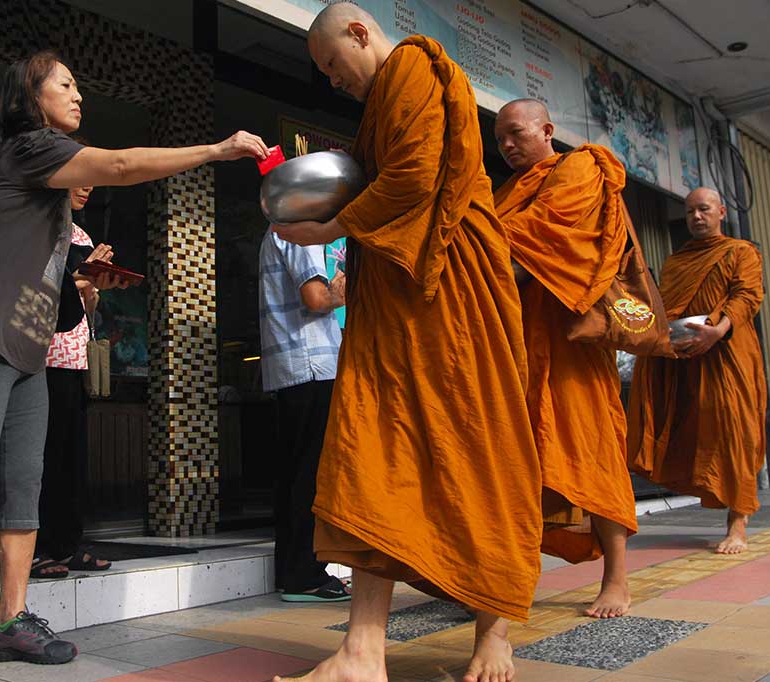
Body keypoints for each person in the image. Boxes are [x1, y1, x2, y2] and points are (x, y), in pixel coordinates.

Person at [0, 50, 267, 682]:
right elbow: (122, 163)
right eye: (65, 85)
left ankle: (11, 622)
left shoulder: (53, 193)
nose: (79, 96)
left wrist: (86, 284)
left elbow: (51, 281)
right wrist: (214, 149)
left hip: (26, 350)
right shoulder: (26, 148)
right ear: (30, 95)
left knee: (26, 485)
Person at [272, 5, 543, 681]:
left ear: (361, 32)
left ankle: (494, 632)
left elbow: (417, 175)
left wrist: (333, 226)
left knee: (481, 446)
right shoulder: (381, 100)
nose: (334, 81)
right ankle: (362, 652)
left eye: (335, 63)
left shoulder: (418, 67)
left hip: (456, 294)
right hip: (397, 299)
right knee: (373, 448)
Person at [492, 99, 637, 619]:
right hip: (519, 347)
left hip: (572, 344)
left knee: (591, 449)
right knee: (517, 463)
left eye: (516, 133)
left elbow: (547, 241)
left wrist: (487, 270)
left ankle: (617, 579)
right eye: (500, 138)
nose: (507, 145)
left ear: (547, 129)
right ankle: (511, 580)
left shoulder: (581, 169)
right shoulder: (504, 192)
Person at [627, 187, 766, 555]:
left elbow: (747, 296)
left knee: (733, 429)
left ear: (721, 211)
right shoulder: (676, 262)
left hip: (727, 356)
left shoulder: (741, 252)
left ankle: (738, 523)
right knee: (691, 429)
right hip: (686, 357)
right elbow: (665, 308)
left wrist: (718, 331)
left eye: (704, 209)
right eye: (690, 212)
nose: (696, 218)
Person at [30, 182, 116, 579]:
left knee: (71, 457)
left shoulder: (81, 235)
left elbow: (87, 304)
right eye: (79, 175)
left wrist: (93, 285)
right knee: (41, 456)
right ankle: (37, 549)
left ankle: (68, 545)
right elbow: (37, 289)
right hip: (39, 353)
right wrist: (80, 277)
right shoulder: (37, 225)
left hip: (74, 357)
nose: (87, 185)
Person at [258, 231, 350, 602]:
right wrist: (346, 287)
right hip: (312, 362)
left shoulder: (279, 229)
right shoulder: (300, 231)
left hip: (292, 365)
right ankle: (304, 574)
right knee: (310, 473)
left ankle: (292, 571)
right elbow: (316, 298)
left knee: (294, 472)